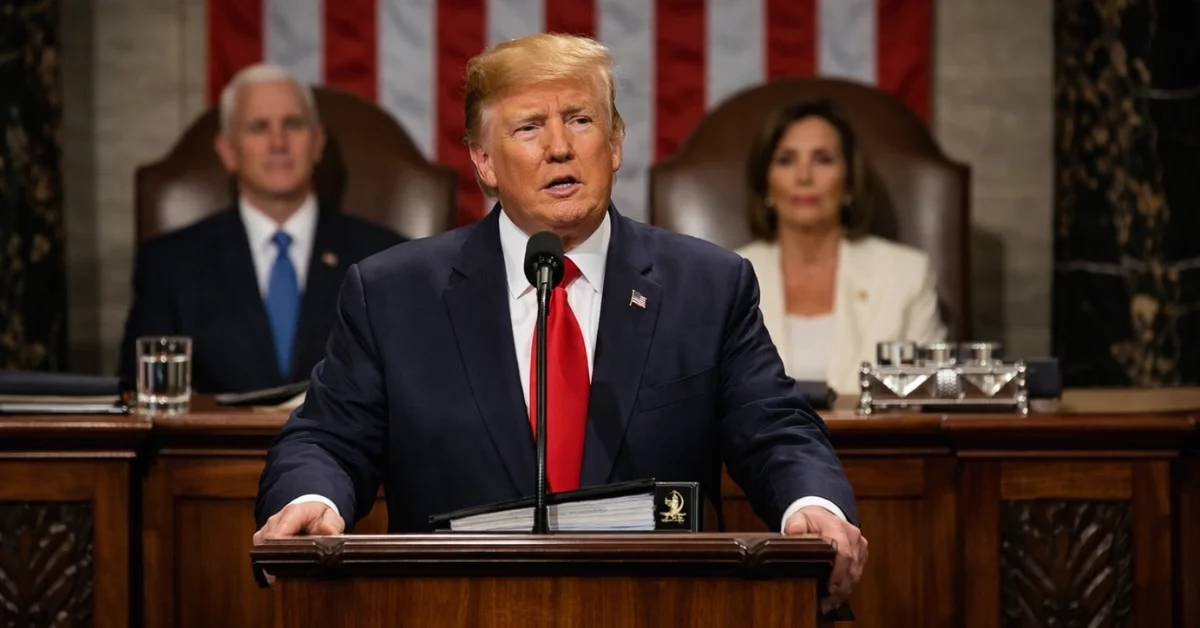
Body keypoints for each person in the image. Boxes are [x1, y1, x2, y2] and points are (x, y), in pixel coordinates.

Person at [252, 34, 866, 613]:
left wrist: (810, 505)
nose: (559, 147)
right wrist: (313, 502)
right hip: (449, 610)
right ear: (485, 162)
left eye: (580, 119)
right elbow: (326, 438)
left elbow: (775, 429)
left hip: (659, 609)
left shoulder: (707, 286)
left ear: (616, 144)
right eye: (528, 127)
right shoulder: (393, 294)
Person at [118, 64, 405, 394]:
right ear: (227, 151)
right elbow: (139, 394)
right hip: (212, 445)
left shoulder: (385, 258)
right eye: (258, 127)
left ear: (317, 143)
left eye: (293, 125)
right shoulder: (169, 264)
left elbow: (408, 388)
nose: (278, 142)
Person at [735, 100, 947, 395]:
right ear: (766, 183)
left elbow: (930, 395)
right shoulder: (729, 277)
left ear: (849, 181)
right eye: (786, 160)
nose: (804, 177)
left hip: (879, 441)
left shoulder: (907, 274)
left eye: (823, 159)